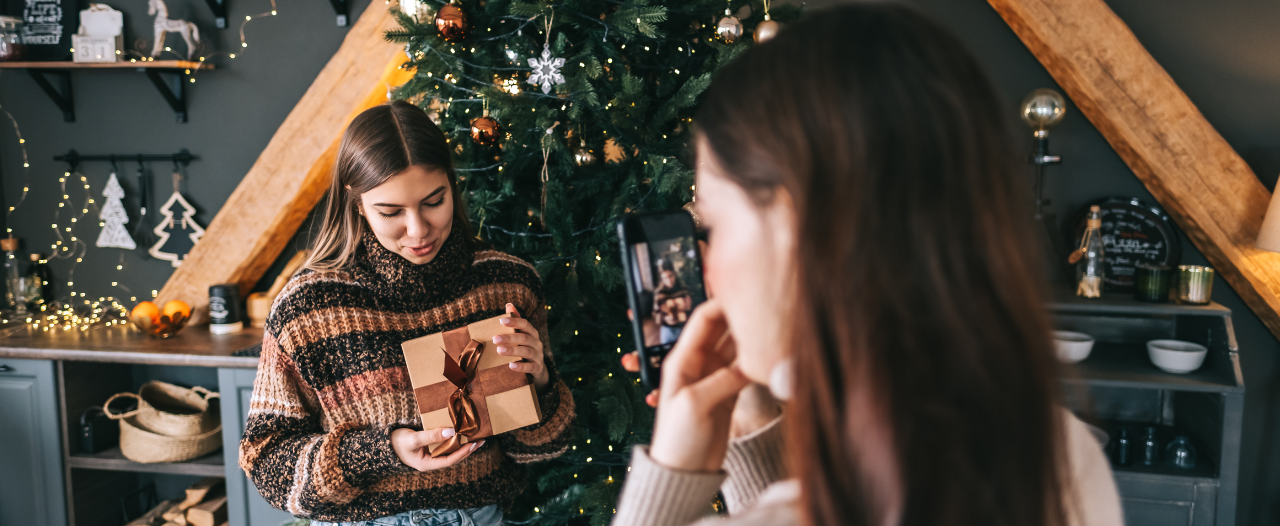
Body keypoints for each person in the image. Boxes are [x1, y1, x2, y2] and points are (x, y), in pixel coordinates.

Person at [613, 4, 1123, 526]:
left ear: (799, 227)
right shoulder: (1062, 453)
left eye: (713, 227)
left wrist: (671, 475)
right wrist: (751, 420)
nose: (708, 269)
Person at [239, 101, 576, 526]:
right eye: (391, 212)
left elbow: (542, 449)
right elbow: (268, 466)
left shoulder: (507, 284)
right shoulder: (307, 309)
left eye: (434, 201)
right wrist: (382, 451)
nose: (418, 230)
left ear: (452, 186)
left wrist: (540, 382)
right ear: (357, 203)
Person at [653, 260, 692, 344]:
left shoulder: (684, 289)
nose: (669, 280)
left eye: (670, 276)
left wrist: (689, 307)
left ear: (674, 274)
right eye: (665, 278)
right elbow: (656, 315)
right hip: (668, 330)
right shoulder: (659, 293)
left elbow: (693, 312)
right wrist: (665, 319)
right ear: (662, 279)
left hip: (684, 328)